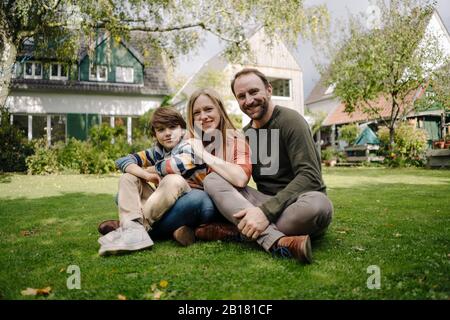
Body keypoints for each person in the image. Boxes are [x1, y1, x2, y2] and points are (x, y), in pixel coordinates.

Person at [198, 68, 334, 264]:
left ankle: (236, 232)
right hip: (261, 203)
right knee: (213, 179)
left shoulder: (291, 121)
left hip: (296, 205)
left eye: (254, 92)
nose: (249, 100)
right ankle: (277, 240)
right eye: (242, 96)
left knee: (319, 205)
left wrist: (264, 213)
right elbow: (232, 178)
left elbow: (310, 177)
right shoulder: (244, 135)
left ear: (269, 90)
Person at [98, 106, 218, 256]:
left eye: (172, 127)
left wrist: (148, 170)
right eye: (161, 129)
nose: (167, 133)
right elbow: (122, 161)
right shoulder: (157, 151)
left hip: (193, 202)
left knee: (172, 179)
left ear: (182, 129)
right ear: (155, 133)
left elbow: (174, 166)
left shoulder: (191, 144)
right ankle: (139, 229)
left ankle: (135, 228)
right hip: (165, 203)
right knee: (128, 179)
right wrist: (146, 176)